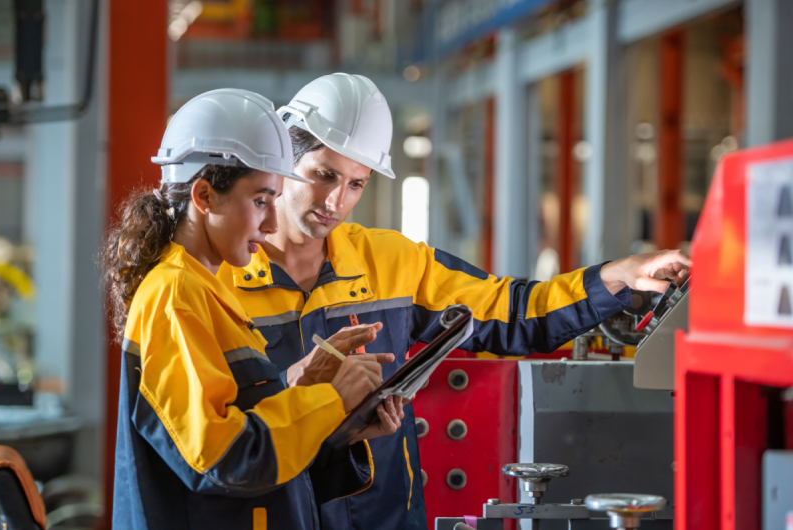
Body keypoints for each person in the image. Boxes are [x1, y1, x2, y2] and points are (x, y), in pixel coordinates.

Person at [217, 74, 691, 530]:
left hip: (380, 515)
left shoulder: (393, 262)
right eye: (323, 174)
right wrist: (289, 388)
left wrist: (618, 276)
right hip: (269, 512)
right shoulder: (219, 279)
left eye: (357, 183)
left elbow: (512, 312)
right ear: (283, 160)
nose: (336, 201)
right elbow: (204, 432)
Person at [101, 88, 407, 530]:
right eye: (261, 200)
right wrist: (330, 399)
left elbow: (257, 445)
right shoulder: (173, 296)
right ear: (205, 196)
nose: (270, 224)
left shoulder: (206, 290)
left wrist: (339, 426)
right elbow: (224, 460)